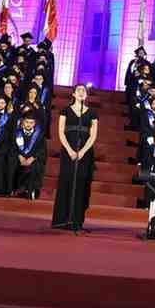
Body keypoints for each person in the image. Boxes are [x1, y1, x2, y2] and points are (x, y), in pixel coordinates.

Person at [52, 83, 98, 230]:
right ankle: (62, 219)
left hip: (85, 152)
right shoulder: (65, 110)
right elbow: (61, 132)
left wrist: (83, 151)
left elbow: (93, 135)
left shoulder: (92, 113)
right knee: (67, 180)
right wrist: (70, 150)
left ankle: (77, 220)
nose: (81, 92)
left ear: (86, 95)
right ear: (73, 94)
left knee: (81, 182)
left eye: (84, 90)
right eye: (78, 90)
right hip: (68, 150)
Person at [12, 111, 47, 200]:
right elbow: (12, 147)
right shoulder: (16, 133)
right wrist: (19, 156)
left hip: (33, 159)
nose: (28, 124)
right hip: (18, 158)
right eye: (27, 122)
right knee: (11, 161)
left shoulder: (39, 135)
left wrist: (32, 158)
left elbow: (42, 150)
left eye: (31, 122)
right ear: (23, 122)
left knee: (35, 166)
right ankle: (14, 189)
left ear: (34, 124)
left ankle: (30, 190)